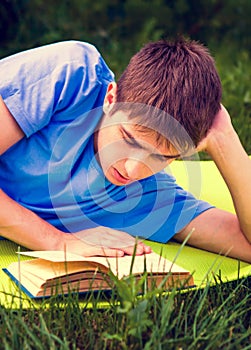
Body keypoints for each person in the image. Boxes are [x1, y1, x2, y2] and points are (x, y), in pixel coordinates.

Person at [0, 38, 251, 262]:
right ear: (111, 98)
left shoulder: (147, 196)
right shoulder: (72, 76)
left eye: (162, 156)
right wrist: (57, 242)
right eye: (129, 140)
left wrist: (224, 138)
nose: (132, 170)